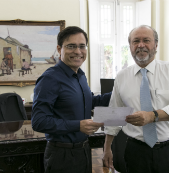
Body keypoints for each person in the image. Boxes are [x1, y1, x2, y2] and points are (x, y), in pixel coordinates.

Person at [102, 25, 169, 173]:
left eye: (146, 40)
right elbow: (114, 115)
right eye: (136, 41)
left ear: (155, 45)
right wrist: (107, 147)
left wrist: (152, 116)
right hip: (136, 150)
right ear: (130, 46)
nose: (141, 45)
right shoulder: (122, 77)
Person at [31, 26, 111, 173]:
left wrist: (119, 92)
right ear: (59, 49)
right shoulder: (49, 78)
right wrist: (77, 125)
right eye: (71, 46)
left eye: (82, 46)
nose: (78, 51)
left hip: (84, 150)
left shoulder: (80, 75)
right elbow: (38, 121)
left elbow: (89, 101)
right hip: (61, 155)